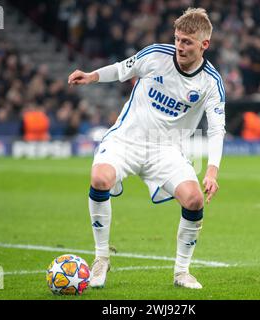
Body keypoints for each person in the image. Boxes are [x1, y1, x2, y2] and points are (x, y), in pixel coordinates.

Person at [68, 8, 225, 289]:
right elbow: (121, 69)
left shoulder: (210, 83)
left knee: (194, 200)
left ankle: (181, 272)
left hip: (166, 151)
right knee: (100, 179)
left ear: (204, 45)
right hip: (126, 140)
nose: (180, 46)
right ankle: (101, 259)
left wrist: (212, 170)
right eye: (177, 39)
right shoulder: (155, 55)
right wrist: (92, 76)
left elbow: (216, 128)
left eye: (187, 42)